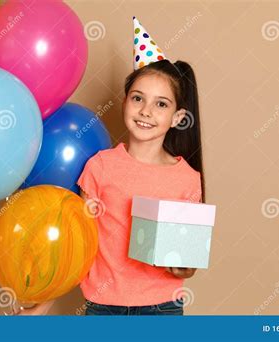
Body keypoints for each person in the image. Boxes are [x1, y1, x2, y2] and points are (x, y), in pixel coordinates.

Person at [18, 16, 205, 316]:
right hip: (103, 309)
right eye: (138, 98)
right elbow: (74, 247)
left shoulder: (186, 179)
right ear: (124, 102)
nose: (146, 111)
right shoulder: (100, 167)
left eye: (161, 104)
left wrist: (178, 260)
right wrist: (42, 307)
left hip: (162, 309)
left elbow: (185, 269)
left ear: (178, 117)